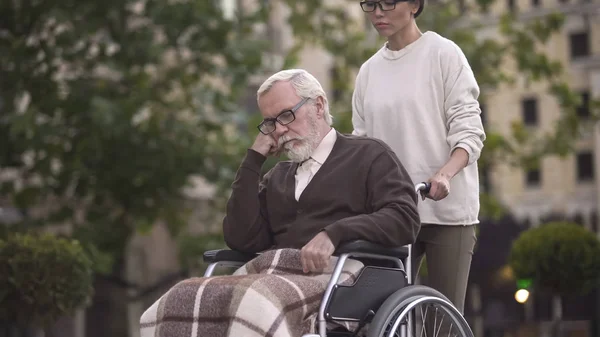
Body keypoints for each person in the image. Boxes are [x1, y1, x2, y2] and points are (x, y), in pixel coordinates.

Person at [140, 68, 421, 337]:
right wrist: (253, 160)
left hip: (344, 276)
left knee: (254, 303)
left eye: (286, 115)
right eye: (270, 122)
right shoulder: (278, 175)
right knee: (180, 298)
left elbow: (404, 218)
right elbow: (243, 239)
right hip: (273, 272)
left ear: (319, 106)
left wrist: (336, 233)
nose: (279, 130)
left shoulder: (369, 155)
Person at [352, 0, 486, 315]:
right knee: (385, 317)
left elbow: (469, 129)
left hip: (446, 212)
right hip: (391, 214)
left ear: (414, 5)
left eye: (387, 3)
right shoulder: (369, 72)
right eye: (370, 4)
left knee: (444, 317)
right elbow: (362, 145)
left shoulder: (443, 54)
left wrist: (445, 174)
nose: (378, 12)